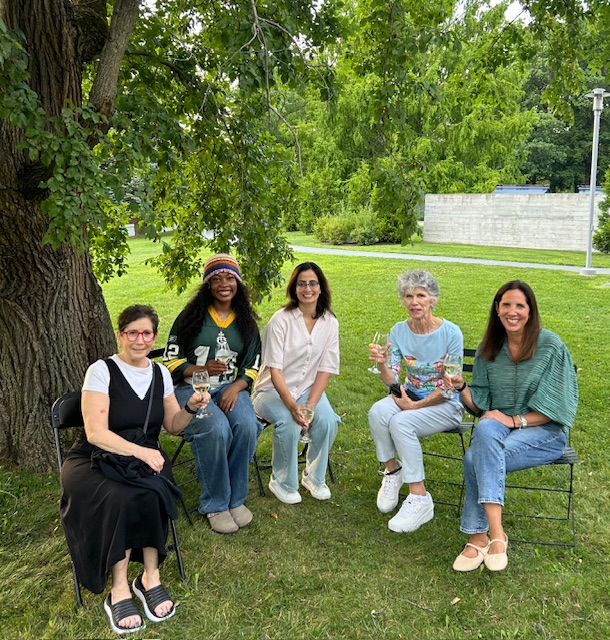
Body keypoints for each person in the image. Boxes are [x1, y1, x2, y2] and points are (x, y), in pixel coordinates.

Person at [60, 305, 209, 634]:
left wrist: (190, 407)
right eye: (132, 332)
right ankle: (119, 589)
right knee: (122, 496)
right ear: (120, 334)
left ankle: (149, 577)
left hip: (141, 455)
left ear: (154, 336)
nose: (139, 340)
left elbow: (172, 425)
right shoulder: (101, 371)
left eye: (146, 333)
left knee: (156, 485)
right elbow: (97, 433)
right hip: (94, 458)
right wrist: (142, 452)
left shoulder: (159, 374)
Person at [447, 280, 578, 572]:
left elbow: (557, 404)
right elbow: (481, 406)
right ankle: (494, 536)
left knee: (474, 457)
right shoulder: (488, 349)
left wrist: (513, 420)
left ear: (530, 311)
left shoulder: (551, 345)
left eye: (520, 305)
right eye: (506, 305)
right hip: (499, 430)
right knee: (485, 430)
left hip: (545, 433)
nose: (512, 311)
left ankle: (481, 535)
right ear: (497, 309)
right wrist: (462, 386)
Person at [163, 254, 262, 534]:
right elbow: (170, 359)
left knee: (245, 425)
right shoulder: (190, 318)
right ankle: (215, 503)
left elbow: (253, 363)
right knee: (216, 427)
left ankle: (235, 499)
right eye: (216, 278)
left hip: (231, 388)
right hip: (191, 389)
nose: (224, 283)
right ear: (207, 285)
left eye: (230, 277)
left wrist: (236, 386)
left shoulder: (246, 322)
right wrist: (200, 369)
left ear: (238, 283)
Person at [367, 269, 464, 533]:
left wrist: (414, 405)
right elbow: (393, 381)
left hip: (446, 404)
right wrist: (384, 364)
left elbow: (449, 384)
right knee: (377, 412)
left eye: (421, 295)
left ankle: (420, 498)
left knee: (401, 423)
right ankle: (392, 472)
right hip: (410, 394)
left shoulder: (452, 333)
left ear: (433, 299)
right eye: (408, 296)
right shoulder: (398, 331)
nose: (414, 302)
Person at [252, 262, 340, 504]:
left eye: (313, 283)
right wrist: (292, 406)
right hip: (270, 392)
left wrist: (310, 406)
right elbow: (276, 371)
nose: (307, 288)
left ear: (321, 288)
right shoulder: (280, 320)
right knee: (289, 423)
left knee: (328, 421)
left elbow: (325, 369)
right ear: (294, 288)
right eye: (301, 283)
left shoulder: (330, 322)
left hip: (307, 391)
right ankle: (281, 481)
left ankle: (313, 477)